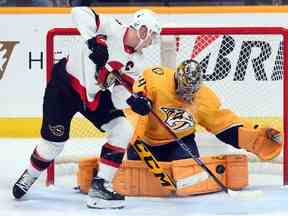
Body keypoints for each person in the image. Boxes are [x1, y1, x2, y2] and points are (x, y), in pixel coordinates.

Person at [12, 7, 160, 209]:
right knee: (53, 144)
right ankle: (30, 175)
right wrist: (92, 40)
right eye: (152, 36)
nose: (152, 42)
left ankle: (100, 188)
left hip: (94, 95)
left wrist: (133, 101)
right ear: (144, 30)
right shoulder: (112, 27)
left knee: (122, 129)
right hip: (65, 85)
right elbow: (79, 11)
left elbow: (119, 94)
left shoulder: (138, 61)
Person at [126, 59, 282, 163]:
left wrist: (256, 136)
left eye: (192, 91)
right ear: (177, 79)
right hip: (146, 142)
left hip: (180, 143)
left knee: (188, 171)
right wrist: (139, 99)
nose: (188, 96)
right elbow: (138, 93)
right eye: (185, 90)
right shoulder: (156, 78)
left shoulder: (204, 97)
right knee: (136, 172)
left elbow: (225, 125)